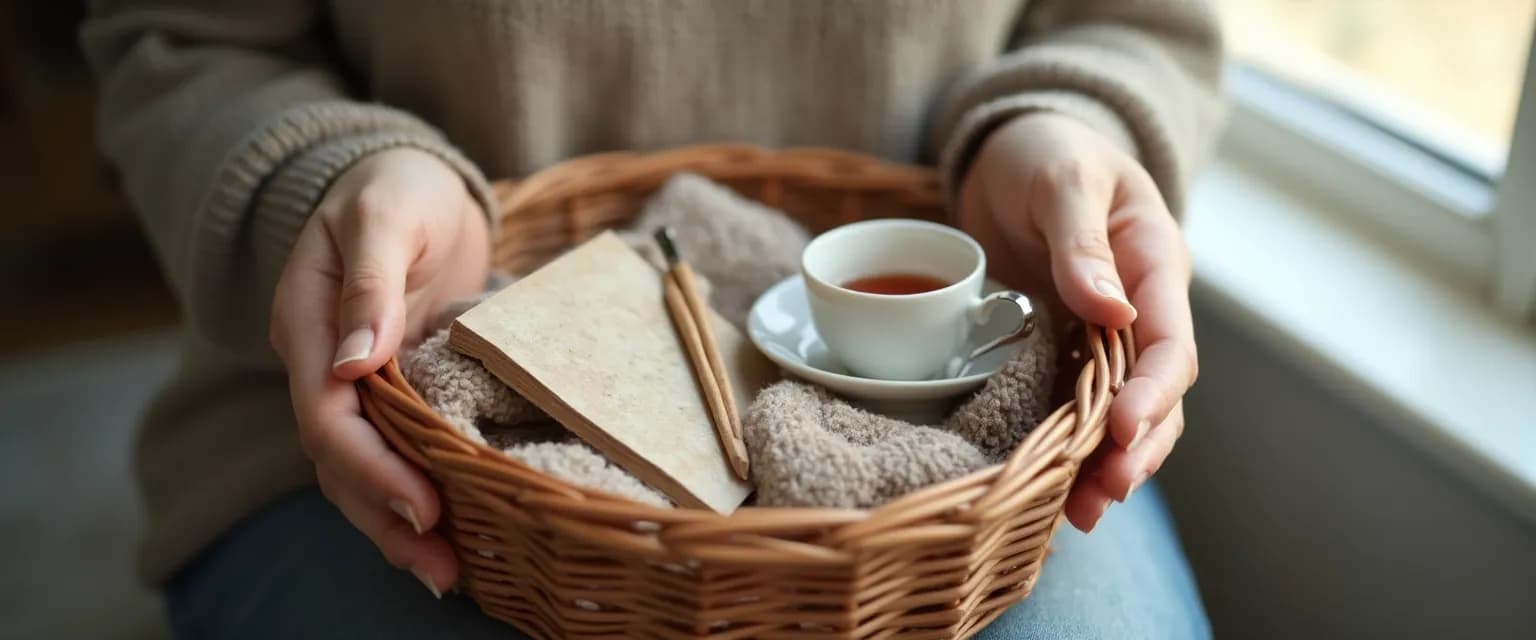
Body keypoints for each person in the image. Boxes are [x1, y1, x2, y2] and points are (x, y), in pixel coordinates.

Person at [83, 1, 1222, 637]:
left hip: (991, 489)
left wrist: (1064, 129)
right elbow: (181, 35)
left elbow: (1133, 20)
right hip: (369, 412)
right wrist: (329, 186)